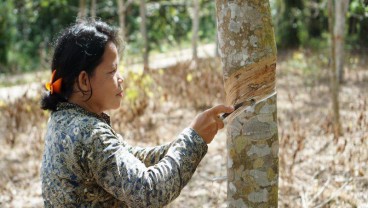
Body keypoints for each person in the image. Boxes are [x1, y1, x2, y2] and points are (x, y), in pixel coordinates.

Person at [40, 19, 233, 207]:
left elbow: (130, 158)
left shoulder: (62, 119)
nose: (120, 78)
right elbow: (150, 191)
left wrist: (189, 137)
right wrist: (193, 139)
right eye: (112, 71)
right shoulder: (89, 133)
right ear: (83, 81)